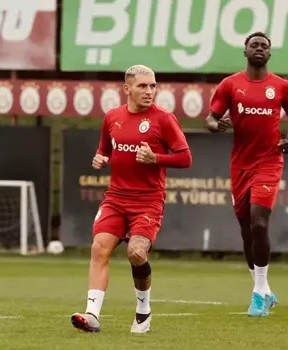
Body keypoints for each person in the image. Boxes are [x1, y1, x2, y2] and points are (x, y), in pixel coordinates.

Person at [70, 65, 192, 334]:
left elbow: (185, 157)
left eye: (153, 86)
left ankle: (143, 311)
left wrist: (156, 158)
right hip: (115, 198)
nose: (149, 91)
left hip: (148, 201)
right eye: (142, 86)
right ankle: (92, 315)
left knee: (136, 253)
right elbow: (104, 150)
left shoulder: (164, 119)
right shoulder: (113, 117)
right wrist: (101, 159)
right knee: (99, 247)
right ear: (127, 89)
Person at [206, 31, 288, 317]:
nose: (259, 48)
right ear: (245, 51)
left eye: (264, 46)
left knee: (260, 223)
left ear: (270, 54)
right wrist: (215, 125)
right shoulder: (230, 85)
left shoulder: (281, 86)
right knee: (246, 228)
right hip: (240, 164)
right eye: (254, 45)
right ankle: (264, 289)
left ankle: (258, 293)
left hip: (269, 162)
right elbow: (212, 116)